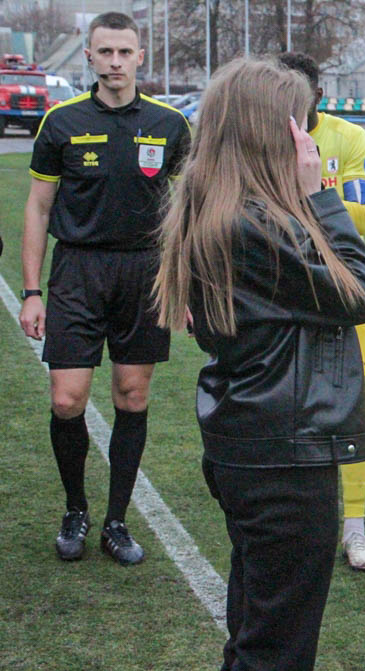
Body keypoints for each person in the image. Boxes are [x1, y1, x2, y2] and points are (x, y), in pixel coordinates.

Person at [152, 58, 365, 671]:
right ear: (269, 133)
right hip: (282, 451)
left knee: (256, 626)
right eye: (299, 127)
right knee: (275, 649)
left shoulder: (224, 207)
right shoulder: (255, 225)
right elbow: (363, 293)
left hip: (254, 438)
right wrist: (321, 199)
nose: (309, 141)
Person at [20, 11, 190, 565]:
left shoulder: (169, 125)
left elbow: (187, 212)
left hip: (145, 274)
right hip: (77, 272)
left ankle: (116, 521)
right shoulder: (61, 122)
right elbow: (39, 206)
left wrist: (184, 285)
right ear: (89, 57)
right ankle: (76, 508)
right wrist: (31, 291)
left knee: (131, 396)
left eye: (125, 52)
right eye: (105, 52)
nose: (115, 62)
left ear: (141, 56)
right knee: (67, 400)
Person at [279, 51, 365, 571]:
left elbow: (360, 217)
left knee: (346, 406)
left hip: (337, 283)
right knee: (283, 400)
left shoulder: (351, 137)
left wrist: (308, 191)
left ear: (319, 95)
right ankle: (295, 519)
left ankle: (355, 531)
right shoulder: (263, 133)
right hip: (278, 285)